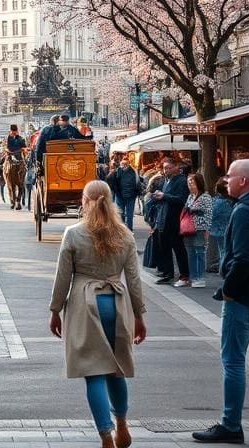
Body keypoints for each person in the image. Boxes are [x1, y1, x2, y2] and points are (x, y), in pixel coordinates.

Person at [192, 159, 249, 444]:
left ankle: (231, 425)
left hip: (245, 297)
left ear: (243, 181)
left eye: (229, 176)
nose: (225, 180)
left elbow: (243, 258)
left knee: (232, 360)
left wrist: (229, 290)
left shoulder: (244, 211)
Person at [49, 181, 146, 448]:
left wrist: (55, 309)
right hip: (116, 301)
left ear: (85, 201)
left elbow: (62, 278)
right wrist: (139, 315)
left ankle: (106, 435)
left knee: (94, 373)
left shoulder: (74, 233)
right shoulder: (124, 234)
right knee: (117, 370)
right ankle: (123, 425)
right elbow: (134, 280)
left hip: (85, 303)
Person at [153, 157, 190, 285]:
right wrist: (158, 196)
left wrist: (165, 196)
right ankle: (168, 273)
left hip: (175, 220)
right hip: (163, 218)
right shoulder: (165, 180)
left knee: (178, 248)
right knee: (165, 248)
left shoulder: (181, 181)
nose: (166, 170)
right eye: (164, 168)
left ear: (176, 167)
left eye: (168, 168)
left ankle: (184, 275)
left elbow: (182, 199)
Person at [183, 173, 213, 288]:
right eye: (189, 182)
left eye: (192, 182)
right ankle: (193, 276)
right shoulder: (190, 196)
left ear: (199, 183)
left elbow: (209, 215)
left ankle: (200, 277)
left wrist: (206, 229)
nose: (190, 184)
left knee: (199, 252)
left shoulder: (206, 197)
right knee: (190, 253)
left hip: (200, 229)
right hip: (188, 228)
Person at [107, 156, 143, 231]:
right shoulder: (134, 171)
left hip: (120, 195)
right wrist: (137, 193)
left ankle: (121, 230)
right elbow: (138, 183)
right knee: (129, 214)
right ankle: (129, 230)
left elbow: (109, 179)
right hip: (130, 196)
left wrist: (115, 191)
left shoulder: (117, 171)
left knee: (120, 213)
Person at [209, 177, 233, 271]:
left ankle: (224, 270)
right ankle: (225, 270)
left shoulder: (216, 201)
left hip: (218, 230)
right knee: (225, 252)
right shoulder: (231, 202)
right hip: (228, 229)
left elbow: (211, 215)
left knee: (223, 252)